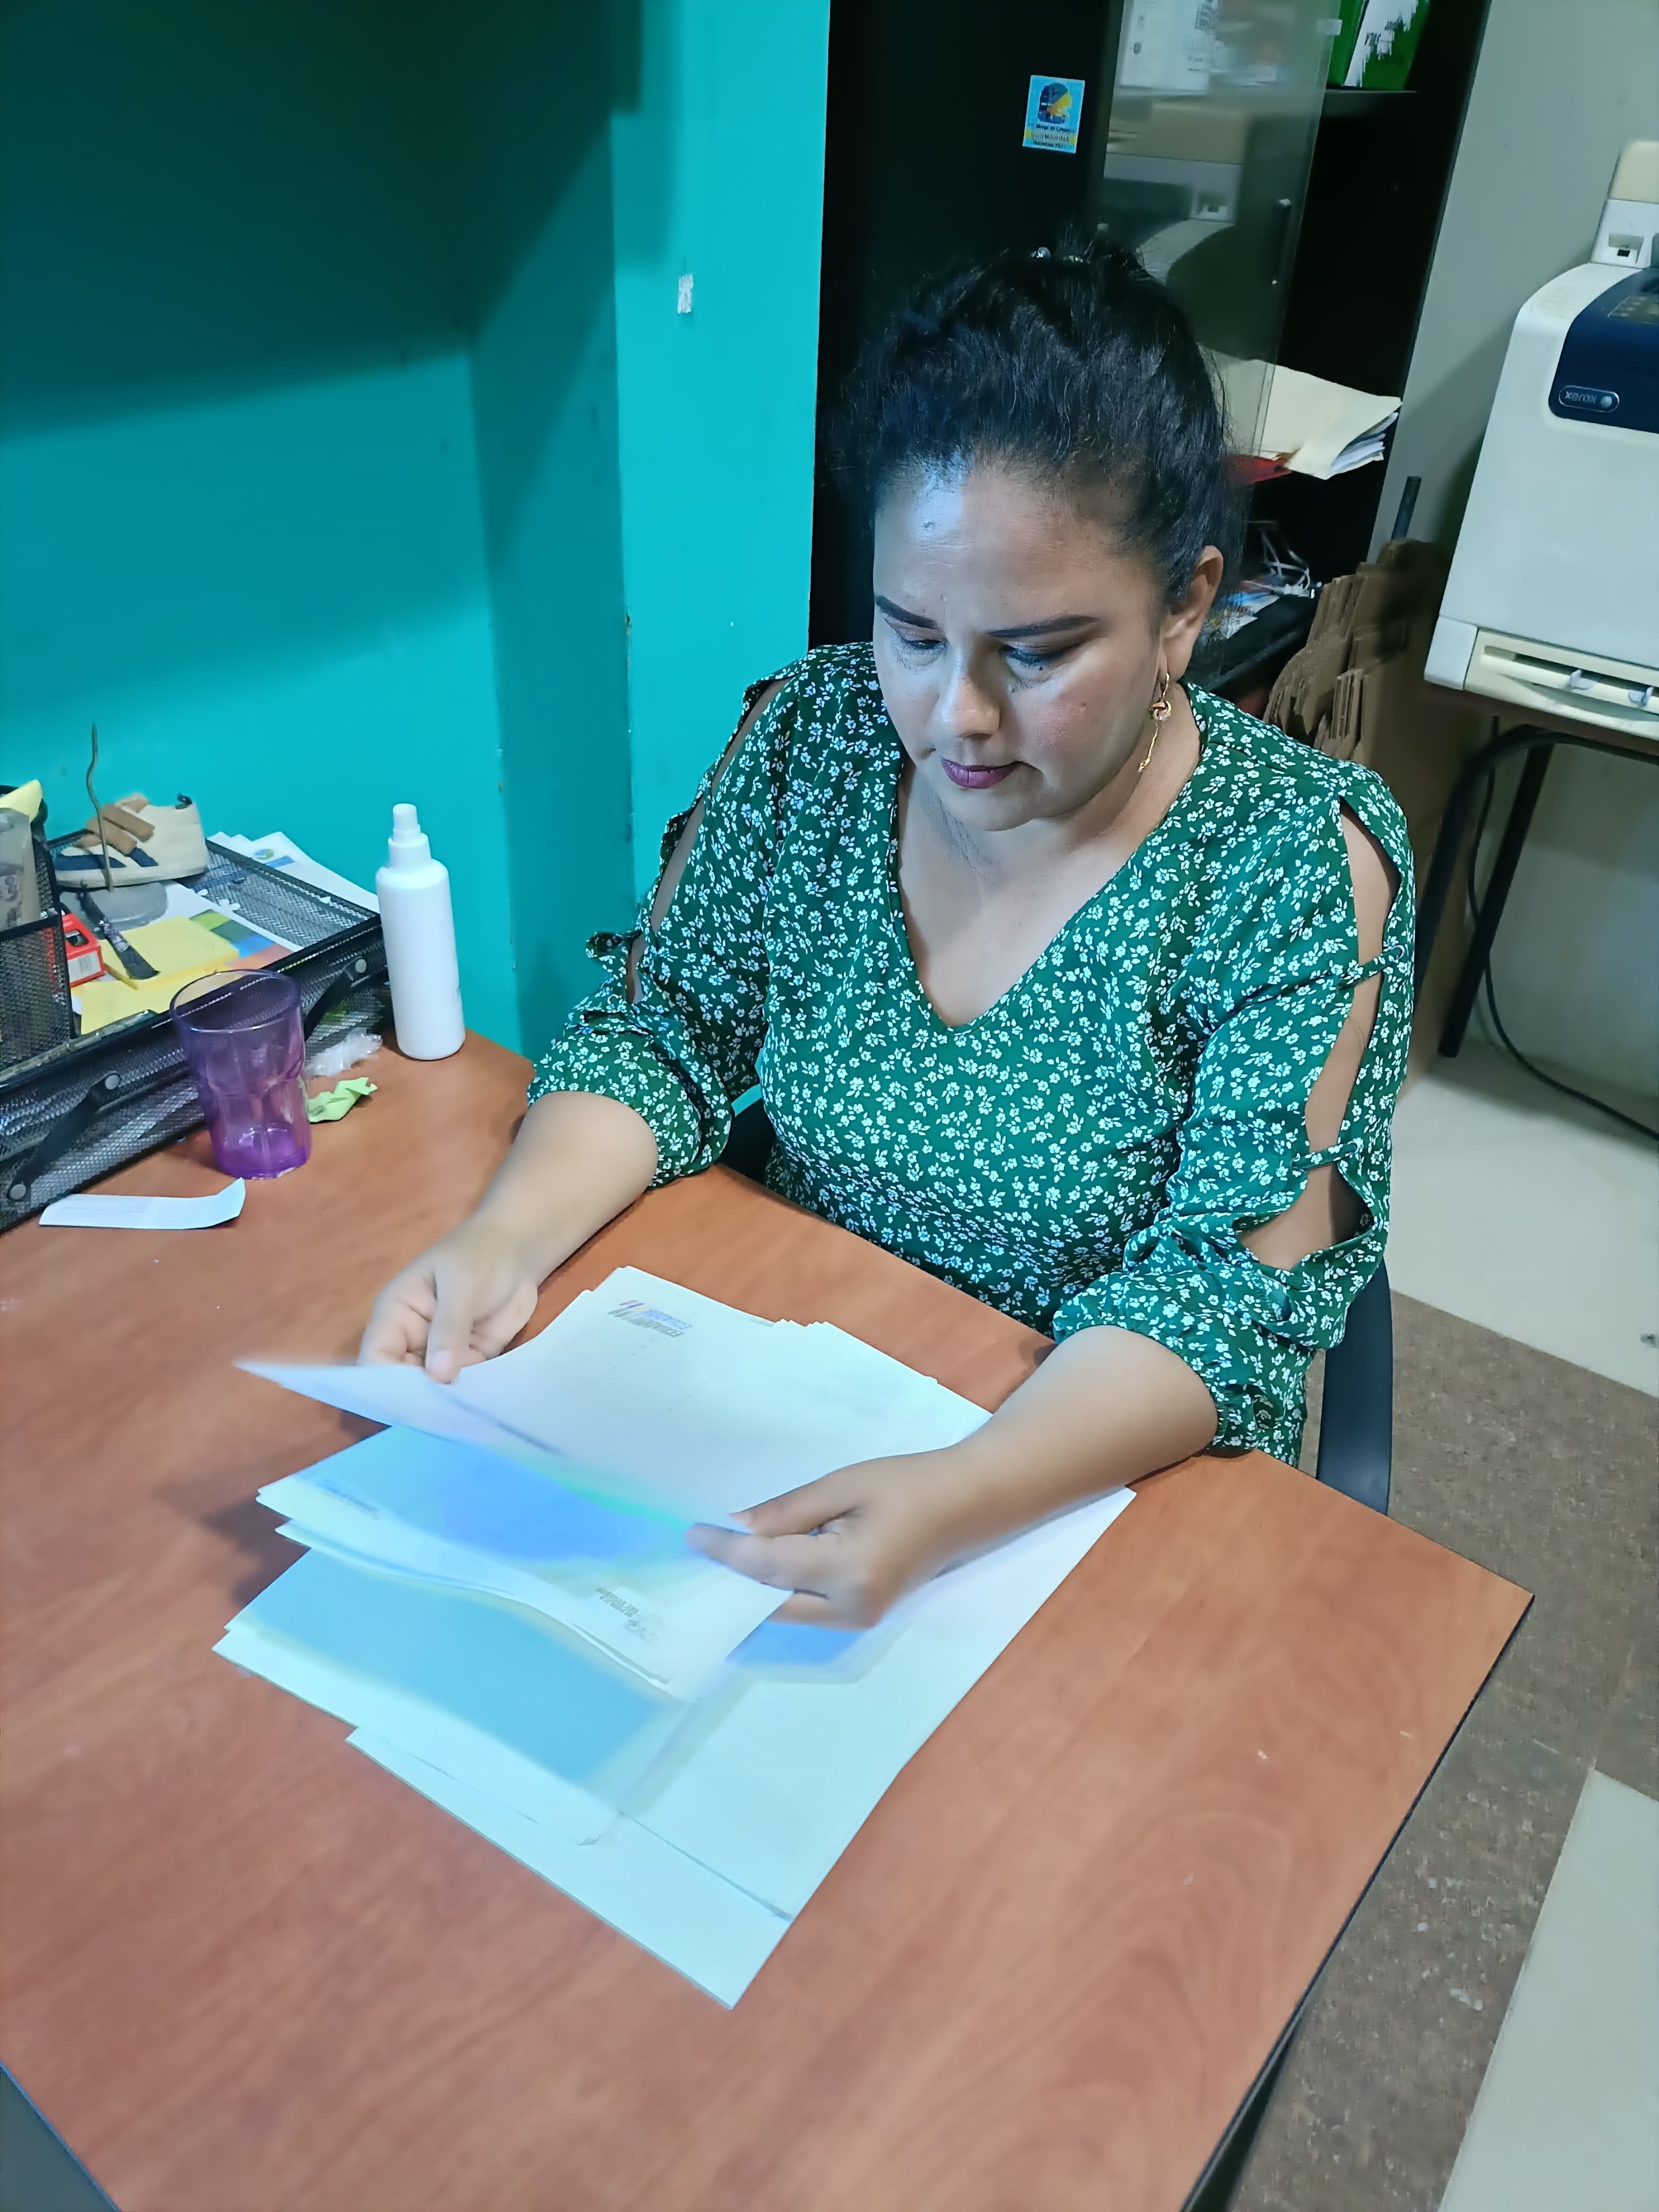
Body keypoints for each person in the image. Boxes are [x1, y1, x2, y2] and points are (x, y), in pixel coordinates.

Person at [361, 242, 1413, 1629]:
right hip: (791, 1375)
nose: (953, 717)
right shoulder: (819, 736)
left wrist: (964, 1491)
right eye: (912, 632)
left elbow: (1228, 1299)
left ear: (1185, 609)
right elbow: (665, 1037)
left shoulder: (1289, 863)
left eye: (1035, 653)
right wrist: (504, 1239)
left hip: (1091, 1465)